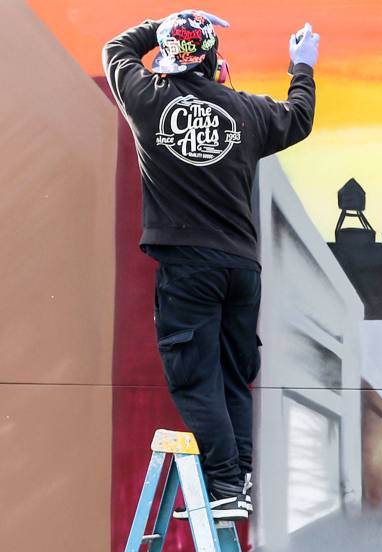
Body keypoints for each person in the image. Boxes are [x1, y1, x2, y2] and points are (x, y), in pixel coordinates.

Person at [102, 10, 320, 520]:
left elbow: (117, 50)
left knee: (193, 378)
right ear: (212, 58)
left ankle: (224, 483)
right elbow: (299, 116)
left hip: (189, 266)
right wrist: (301, 66)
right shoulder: (245, 111)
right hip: (242, 268)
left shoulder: (147, 98)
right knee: (229, 378)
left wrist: (162, 20)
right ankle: (236, 484)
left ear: (167, 55)